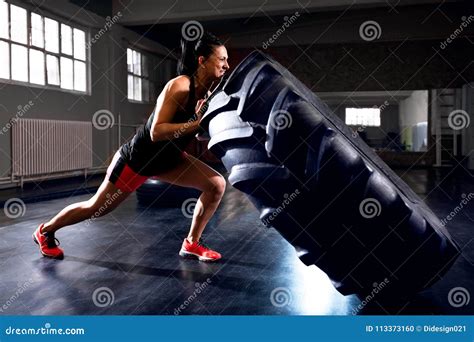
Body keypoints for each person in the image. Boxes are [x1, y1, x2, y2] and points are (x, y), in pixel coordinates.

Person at [33, 32, 230, 262]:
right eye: (222, 59)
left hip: (169, 159)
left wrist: (204, 123)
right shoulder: (180, 86)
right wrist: (197, 123)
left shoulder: (205, 94)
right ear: (202, 60)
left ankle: (191, 243)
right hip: (137, 161)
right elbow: (157, 132)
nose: (227, 65)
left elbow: (193, 131)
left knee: (216, 184)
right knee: (96, 208)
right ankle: (45, 231)